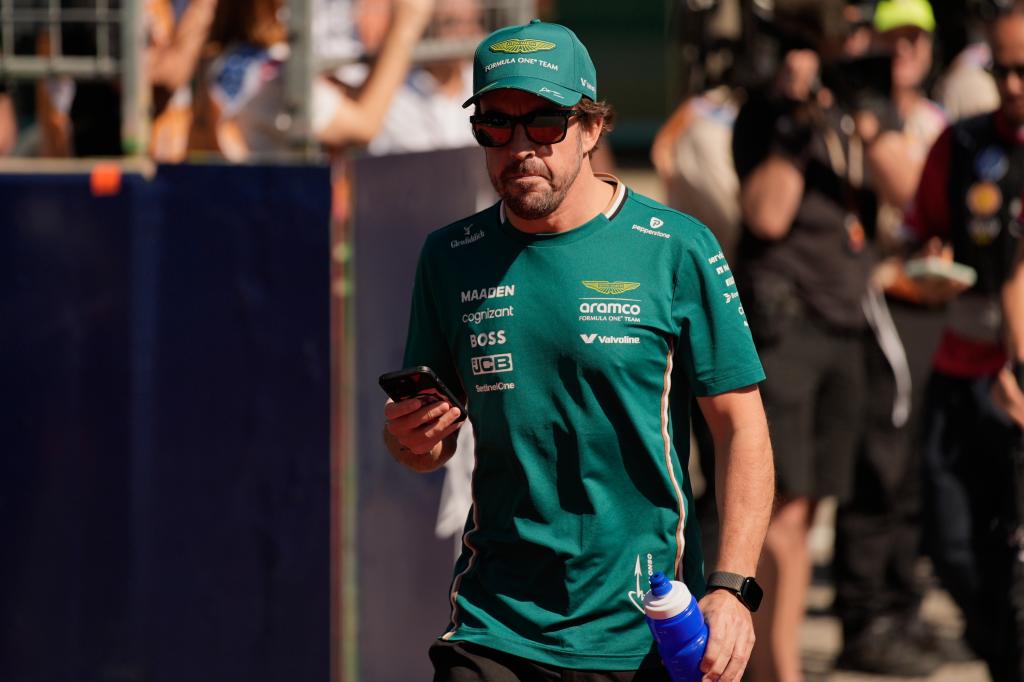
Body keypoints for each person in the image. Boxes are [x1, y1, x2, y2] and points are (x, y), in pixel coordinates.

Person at [382, 19, 774, 681]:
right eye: (495, 124)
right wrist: (412, 441)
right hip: (493, 622)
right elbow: (426, 443)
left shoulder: (677, 249)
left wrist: (733, 589)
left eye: (544, 123)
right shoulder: (450, 257)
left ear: (591, 127)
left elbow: (742, 427)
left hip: (641, 628)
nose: (519, 147)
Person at [729, 2, 914, 679]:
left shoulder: (862, 102)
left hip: (846, 323)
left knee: (806, 513)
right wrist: (796, 122)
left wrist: (865, 118)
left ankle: (770, 663)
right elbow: (767, 217)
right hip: (786, 324)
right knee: (781, 506)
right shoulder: (766, 114)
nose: (847, 45)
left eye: (853, 33)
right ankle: (777, 670)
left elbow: (909, 191)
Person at [831, 0, 971, 674]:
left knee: (914, 466)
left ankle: (902, 605)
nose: (904, 50)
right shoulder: (857, 114)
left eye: (915, 37)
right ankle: (866, 617)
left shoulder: (936, 119)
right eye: (892, 38)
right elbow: (913, 193)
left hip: (932, 306)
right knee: (879, 465)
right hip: (877, 305)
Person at [908, 2, 1024, 678]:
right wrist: (929, 256)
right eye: (1001, 70)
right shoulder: (961, 143)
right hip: (961, 369)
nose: (1012, 85)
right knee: (951, 544)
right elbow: (920, 227)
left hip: (1018, 381)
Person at [188, 0, 434, 160]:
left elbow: (351, 102)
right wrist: (406, 25)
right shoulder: (274, 73)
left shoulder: (228, 58)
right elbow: (363, 126)